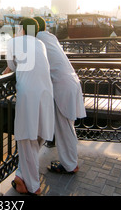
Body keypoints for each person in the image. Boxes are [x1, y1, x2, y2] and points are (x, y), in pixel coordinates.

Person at [3, 17, 54, 195]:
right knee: (37, 136)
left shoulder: (13, 42)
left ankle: (34, 187)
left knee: (25, 139)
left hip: (28, 94)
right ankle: (21, 177)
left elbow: (11, 65)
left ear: (22, 29)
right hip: (46, 93)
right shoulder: (40, 44)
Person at [34, 16, 86, 175]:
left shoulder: (37, 40)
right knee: (67, 126)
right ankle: (70, 161)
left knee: (64, 128)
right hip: (71, 81)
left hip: (62, 86)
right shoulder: (50, 37)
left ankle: (70, 165)